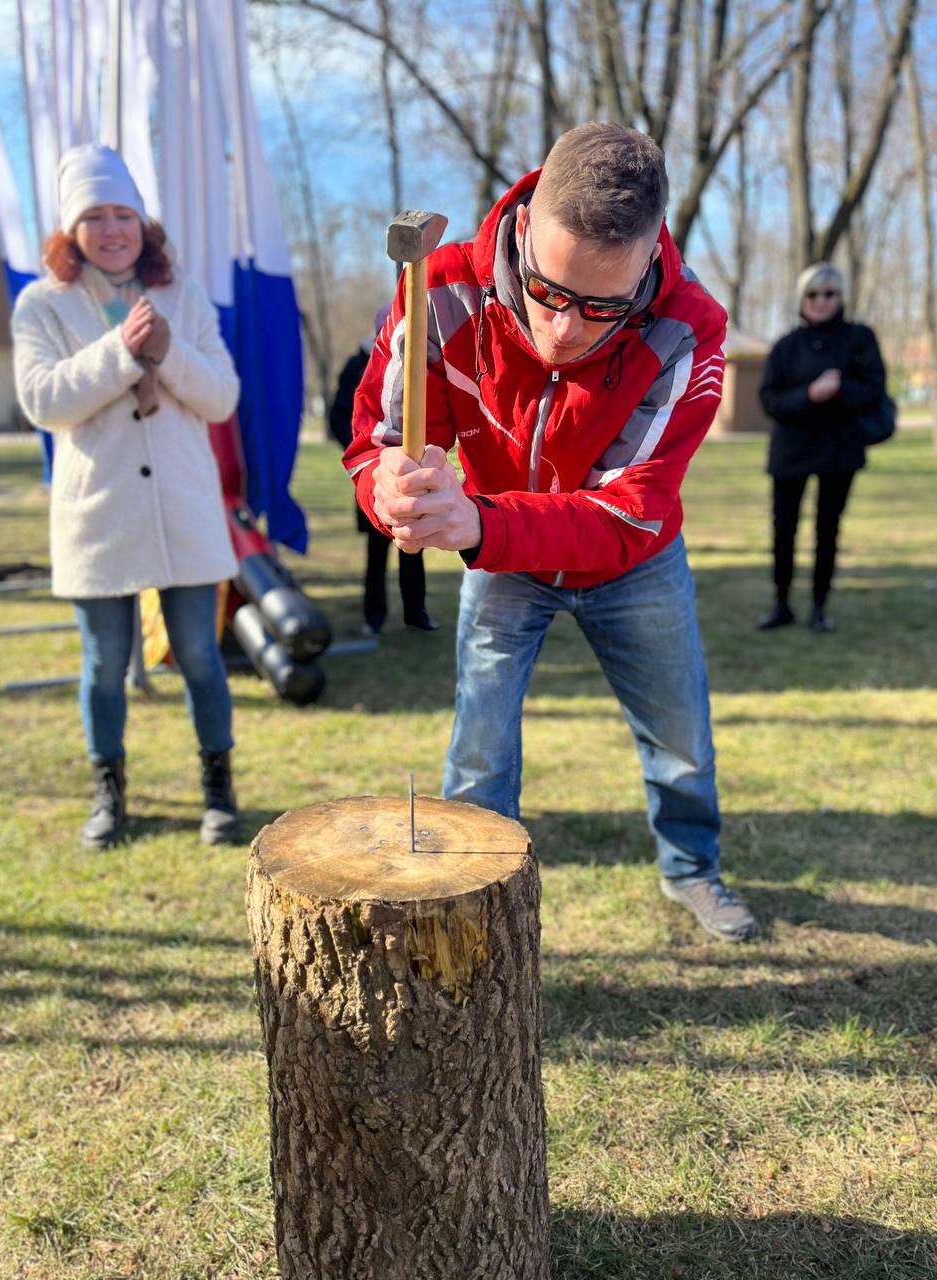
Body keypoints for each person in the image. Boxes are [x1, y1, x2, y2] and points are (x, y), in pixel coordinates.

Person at [343, 122, 759, 943]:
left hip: (630, 563)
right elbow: (377, 440)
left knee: (679, 736)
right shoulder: (440, 287)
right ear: (525, 226)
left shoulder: (689, 329)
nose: (564, 329)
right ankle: (468, 901)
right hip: (502, 555)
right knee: (480, 748)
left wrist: (479, 521)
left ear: (649, 258)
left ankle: (691, 868)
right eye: (547, 290)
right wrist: (388, 488)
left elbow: (626, 512)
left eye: (602, 307)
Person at [12, 142, 242, 849]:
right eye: (94, 216)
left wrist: (168, 350)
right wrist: (120, 352)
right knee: (104, 665)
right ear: (70, 230)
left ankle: (219, 790)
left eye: (123, 213)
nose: (112, 229)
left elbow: (222, 396)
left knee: (199, 656)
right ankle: (109, 794)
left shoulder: (183, 294)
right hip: (99, 513)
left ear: (144, 223)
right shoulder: (42, 304)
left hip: (182, 507)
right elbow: (43, 401)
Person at [757, 262, 887, 633]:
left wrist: (840, 388)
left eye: (830, 293)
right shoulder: (786, 346)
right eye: (813, 294)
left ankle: (819, 607)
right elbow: (770, 399)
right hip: (791, 450)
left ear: (841, 297)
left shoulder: (859, 339)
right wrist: (810, 394)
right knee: (784, 529)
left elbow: (874, 391)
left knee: (828, 530)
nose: (821, 301)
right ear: (802, 298)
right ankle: (782, 604)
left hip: (839, 450)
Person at [329, 305, 438, 635]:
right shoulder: (357, 365)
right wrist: (360, 453)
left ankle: (416, 614)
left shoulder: (418, 359)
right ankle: (373, 617)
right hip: (374, 471)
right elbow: (338, 416)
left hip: (410, 469)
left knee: (413, 545)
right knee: (376, 551)